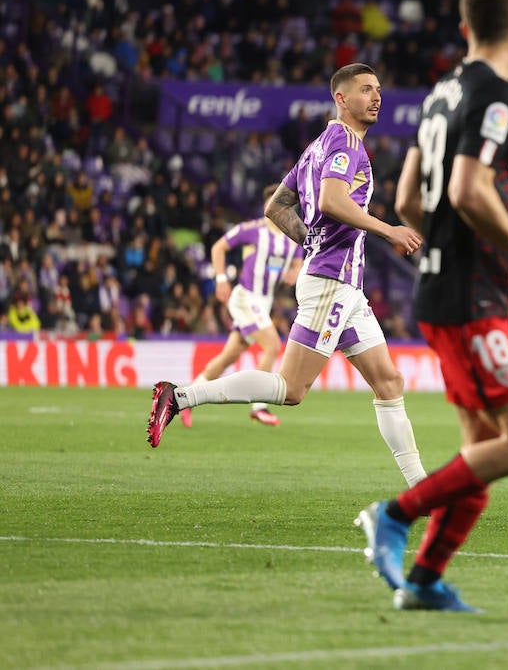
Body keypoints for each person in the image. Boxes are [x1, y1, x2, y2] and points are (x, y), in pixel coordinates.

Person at [355, 0, 508, 612]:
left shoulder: (439, 93)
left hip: (442, 289)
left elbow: (404, 199)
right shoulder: (496, 96)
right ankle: (393, 515)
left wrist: (447, 249)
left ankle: (423, 582)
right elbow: (469, 191)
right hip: (471, 298)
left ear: (464, 27)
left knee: (482, 450)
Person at [146, 63, 428, 489]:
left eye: (378, 90)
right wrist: (387, 229)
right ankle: (181, 395)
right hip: (332, 282)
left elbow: (275, 207)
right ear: (341, 98)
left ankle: (423, 488)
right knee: (290, 388)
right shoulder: (344, 142)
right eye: (365, 90)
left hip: (345, 286)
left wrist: (309, 239)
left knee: (389, 382)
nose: (376, 97)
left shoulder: (316, 147)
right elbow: (333, 200)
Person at [180, 184, 305, 430]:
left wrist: (294, 271)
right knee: (272, 345)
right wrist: (221, 278)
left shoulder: (293, 238)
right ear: (267, 206)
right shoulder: (253, 230)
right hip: (246, 297)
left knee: (229, 356)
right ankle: (259, 407)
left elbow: (299, 263)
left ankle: (184, 399)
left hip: (264, 303)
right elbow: (219, 247)